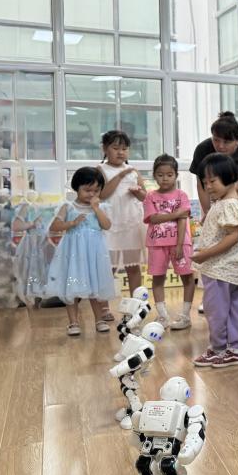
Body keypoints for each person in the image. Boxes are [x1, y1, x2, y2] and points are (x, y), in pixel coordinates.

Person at [192, 153, 238, 369]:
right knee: (235, 309)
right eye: (204, 182)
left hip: (221, 269)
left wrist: (205, 254)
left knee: (215, 310)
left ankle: (219, 348)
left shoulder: (227, 204)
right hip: (231, 269)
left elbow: (233, 236)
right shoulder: (226, 202)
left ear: (229, 177)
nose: (208, 187)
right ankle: (236, 349)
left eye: (212, 181)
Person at [45, 167, 117, 337]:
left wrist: (96, 209)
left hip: (94, 254)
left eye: (96, 190)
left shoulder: (100, 207)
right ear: (76, 188)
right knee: (72, 285)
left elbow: (106, 225)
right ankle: (73, 322)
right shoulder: (68, 206)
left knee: (95, 285)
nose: (92, 194)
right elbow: (54, 227)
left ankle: (99, 320)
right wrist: (71, 223)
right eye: (87, 190)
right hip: (74, 255)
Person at [143, 154, 195, 330]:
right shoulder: (150, 197)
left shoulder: (182, 195)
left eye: (169, 174)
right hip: (156, 244)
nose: (165, 178)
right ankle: (163, 316)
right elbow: (153, 219)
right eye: (160, 174)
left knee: (187, 277)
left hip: (180, 243)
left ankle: (185, 316)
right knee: (158, 278)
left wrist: (179, 245)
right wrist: (176, 214)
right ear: (154, 175)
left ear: (176, 175)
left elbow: (183, 220)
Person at [98, 130, 146, 300]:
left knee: (133, 267)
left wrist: (138, 192)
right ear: (105, 149)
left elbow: (144, 196)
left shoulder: (133, 171)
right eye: (115, 148)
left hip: (131, 223)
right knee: (107, 267)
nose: (120, 152)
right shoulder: (100, 170)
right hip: (109, 224)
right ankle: (103, 307)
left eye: (124, 149)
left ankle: (137, 303)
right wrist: (120, 176)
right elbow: (102, 194)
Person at [190, 111, 238, 215]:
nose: (220, 146)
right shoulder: (203, 149)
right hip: (215, 201)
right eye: (216, 140)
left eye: (226, 142)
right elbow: (202, 185)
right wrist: (208, 212)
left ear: (237, 141)